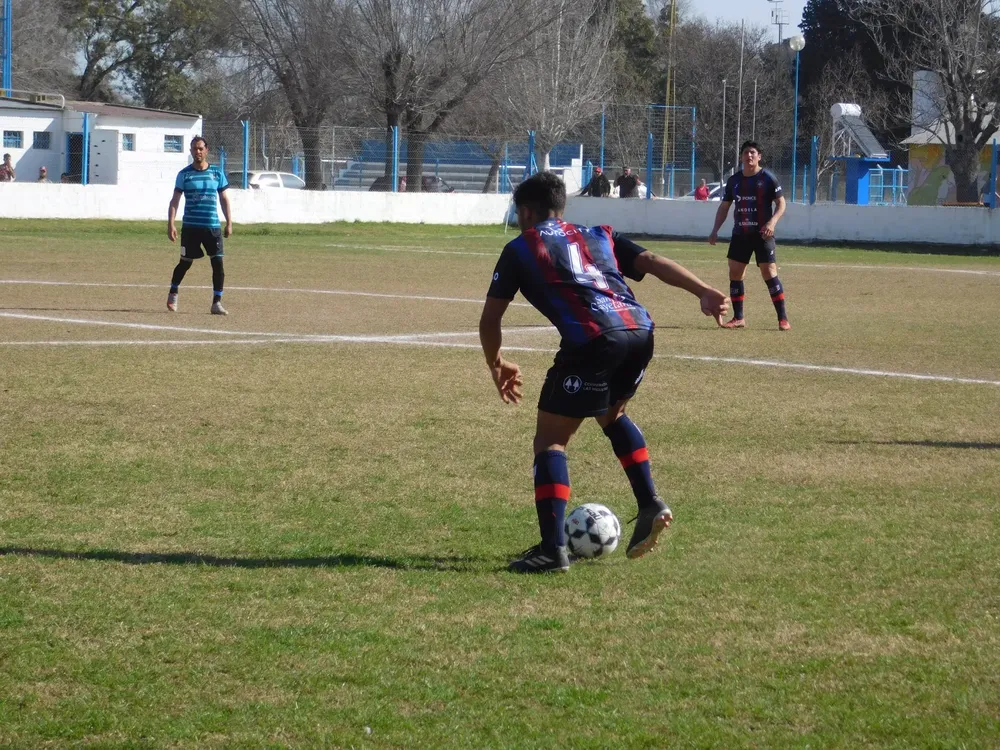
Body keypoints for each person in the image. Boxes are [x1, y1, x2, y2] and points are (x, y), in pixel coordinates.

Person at [479, 171, 729, 573]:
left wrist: (497, 363)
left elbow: (491, 318)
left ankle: (552, 550)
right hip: (639, 330)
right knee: (612, 414)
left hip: (594, 340)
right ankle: (649, 503)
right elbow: (650, 260)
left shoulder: (521, 248)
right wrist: (702, 290)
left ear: (526, 211)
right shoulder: (597, 233)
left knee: (551, 442)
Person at [708, 140, 790, 331]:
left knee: (769, 273)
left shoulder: (768, 178)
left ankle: (783, 318)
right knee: (735, 273)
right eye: (746, 153)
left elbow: (782, 203)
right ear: (741, 157)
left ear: (759, 156)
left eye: (753, 152)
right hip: (740, 234)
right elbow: (725, 207)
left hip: (763, 235)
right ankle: (738, 318)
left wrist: (772, 222)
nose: (749, 156)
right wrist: (715, 230)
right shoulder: (734, 181)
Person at [166, 136, 233, 315]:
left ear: (206, 150)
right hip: (190, 228)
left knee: (218, 263)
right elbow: (175, 200)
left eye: (201, 148)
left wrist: (229, 223)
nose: (198, 152)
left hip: (212, 227)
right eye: (195, 149)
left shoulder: (217, 173)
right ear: (191, 151)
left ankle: (216, 303)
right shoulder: (184, 174)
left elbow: (224, 199)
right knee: (185, 263)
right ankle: (173, 291)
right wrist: (171, 224)